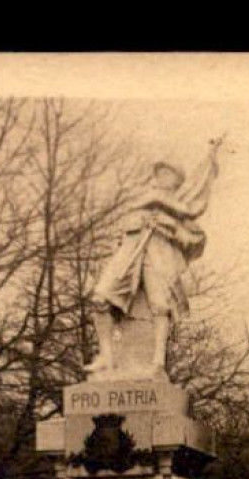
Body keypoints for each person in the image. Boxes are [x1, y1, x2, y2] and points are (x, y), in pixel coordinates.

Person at [86, 136, 223, 377]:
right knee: (99, 298)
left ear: (177, 180)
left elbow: (194, 240)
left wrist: (170, 225)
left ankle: (157, 362)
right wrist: (139, 221)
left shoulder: (180, 209)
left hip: (159, 257)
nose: (162, 177)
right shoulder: (137, 201)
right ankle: (106, 357)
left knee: (160, 306)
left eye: (168, 174)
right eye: (160, 172)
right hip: (129, 256)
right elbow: (117, 229)